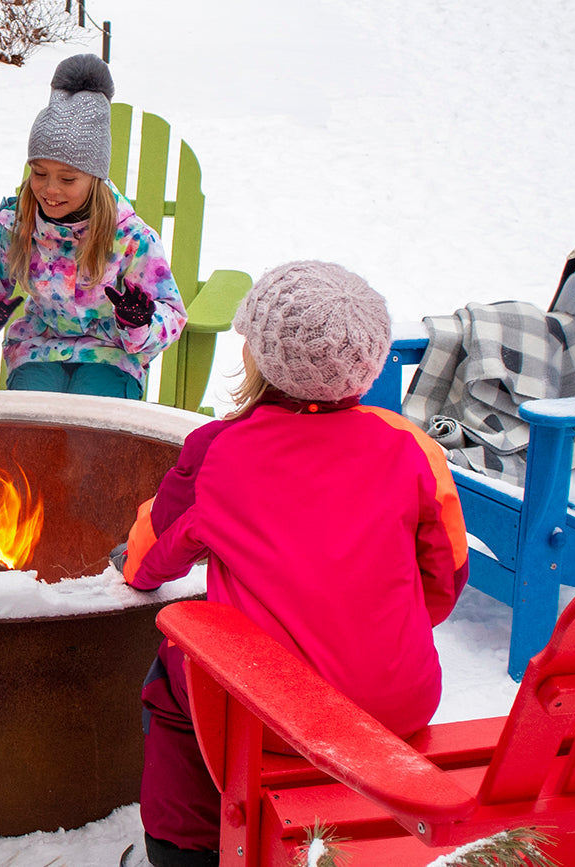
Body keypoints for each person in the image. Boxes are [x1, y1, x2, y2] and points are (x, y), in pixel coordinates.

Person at [121, 261, 470, 867]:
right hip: (397, 700)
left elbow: (148, 563)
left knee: (173, 676)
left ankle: (183, 852)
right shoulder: (412, 448)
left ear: (258, 354)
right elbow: (445, 576)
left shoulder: (219, 452)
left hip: (269, 718)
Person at [0, 55, 186, 400]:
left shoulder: (131, 239)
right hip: (37, 350)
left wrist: (140, 320)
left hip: (111, 356)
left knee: (93, 425)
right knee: (33, 424)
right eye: (40, 173)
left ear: (95, 177)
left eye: (68, 178)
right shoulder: (14, 228)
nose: (50, 189)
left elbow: (171, 311)